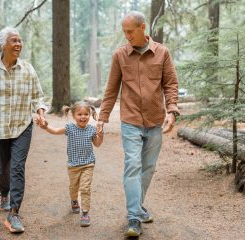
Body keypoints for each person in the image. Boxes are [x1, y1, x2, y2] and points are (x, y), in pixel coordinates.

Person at [97, 11, 180, 237]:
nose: (127, 36)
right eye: (124, 32)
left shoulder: (162, 53)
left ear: (143, 28)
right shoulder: (120, 55)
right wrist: (102, 118)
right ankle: (133, 217)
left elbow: (171, 84)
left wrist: (172, 111)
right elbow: (111, 89)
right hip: (130, 121)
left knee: (148, 168)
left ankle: (138, 207)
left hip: (154, 121)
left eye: (130, 32)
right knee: (132, 165)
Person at [0, 26, 47, 233]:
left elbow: (37, 96)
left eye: (20, 41)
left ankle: (14, 213)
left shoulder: (28, 69)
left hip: (22, 125)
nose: (18, 44)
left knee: (17, 167)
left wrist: (40, 112)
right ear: (2, 45)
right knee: (2, 167)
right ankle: (3, 192)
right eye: (14, 40)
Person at [36, 101, 104, 227]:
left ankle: (85, 213)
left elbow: (98, 144)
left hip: (88, 164)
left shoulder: (91, 129)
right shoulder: (70, 128)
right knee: (74, 188)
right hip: (73, 166)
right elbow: (55, 131)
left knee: (85, 188)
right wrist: (45, 127)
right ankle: (74, 200)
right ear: (74, 115)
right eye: (79, 114)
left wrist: (101, 134)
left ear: (89, 115)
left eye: (86, 114)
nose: (83, 117)